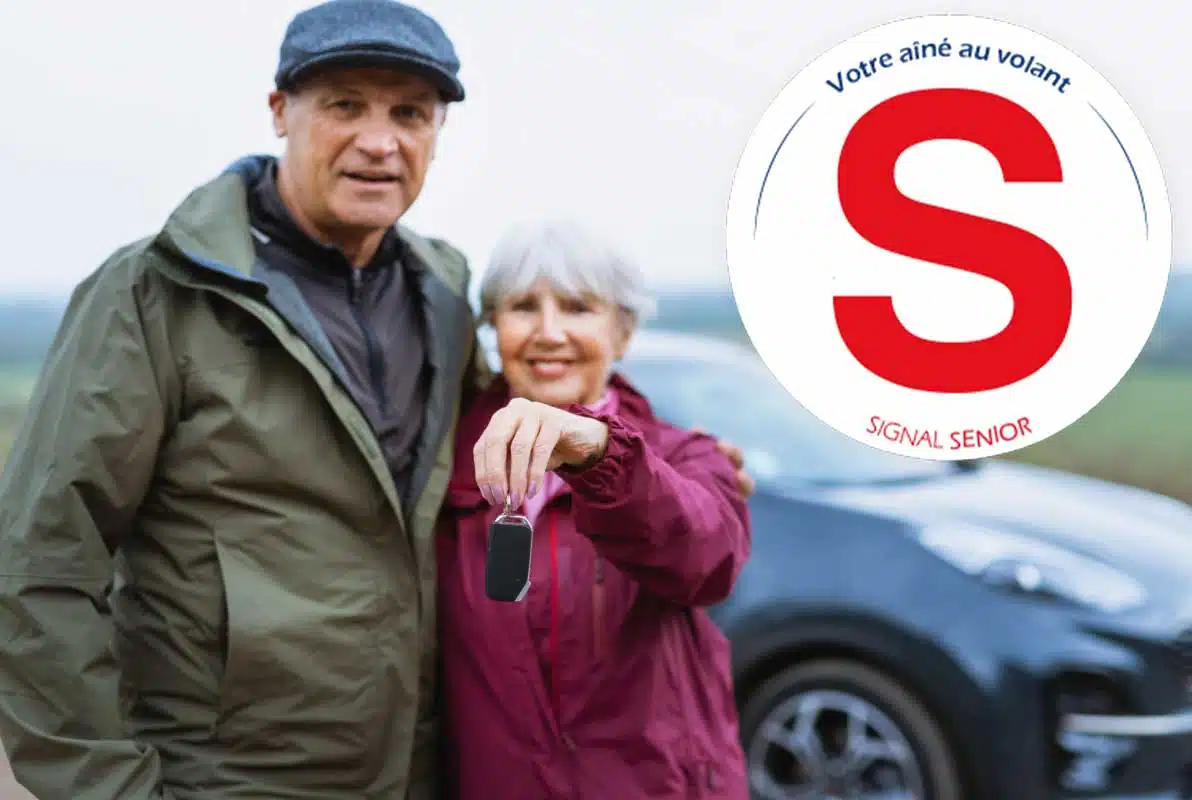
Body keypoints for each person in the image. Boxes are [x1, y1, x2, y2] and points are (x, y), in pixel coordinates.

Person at [0, 2, 753, 798]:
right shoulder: (154, 294)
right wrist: (107, 789)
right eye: (345, 105)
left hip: (419, 775)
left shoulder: (442, 292)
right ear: (278, 112)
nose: (379, 141)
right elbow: (43, 561)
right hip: (229, 781)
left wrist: (665, 459)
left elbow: (542, 412)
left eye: (409, 113)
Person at [436, 219, 752, 799]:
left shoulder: (683, 458)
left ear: (623, 333)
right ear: (494, 328)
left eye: (578, 307)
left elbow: (709, 558)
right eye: (523, 307)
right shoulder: (443, 475)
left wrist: (599, 454)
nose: (548, 332)